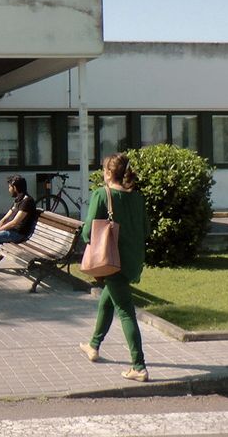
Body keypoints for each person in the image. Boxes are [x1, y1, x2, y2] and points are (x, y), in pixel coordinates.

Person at [80, 153, 151, 382]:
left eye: (103, 170)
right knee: (106, 300)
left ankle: (139, 366)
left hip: (111, 260)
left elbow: (88, 231)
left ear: (109, 173)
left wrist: (87, 240)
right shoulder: (138, 198)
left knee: (126, 312)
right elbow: (147, 230)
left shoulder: (102, 194)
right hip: (132, 259)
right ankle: (93, 345)